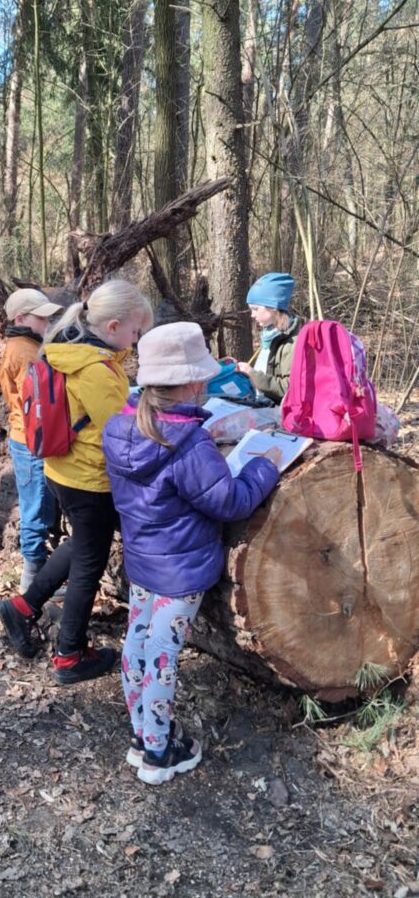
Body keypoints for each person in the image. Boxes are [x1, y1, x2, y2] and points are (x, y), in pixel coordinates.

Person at [102, 322, 280, 785]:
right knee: (163, 655)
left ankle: (141, 734)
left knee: (138, 643)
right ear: (191, 383)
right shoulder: (188, 443)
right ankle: (159, 752)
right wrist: (263, 468)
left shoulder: (120, 425)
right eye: (201, 377)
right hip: (182, 570)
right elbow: (230, 502)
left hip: (144, 559)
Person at [0, 279, 153, 685]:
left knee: (82, 543)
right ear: (113, 327)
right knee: (89, 564)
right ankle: (69, 655)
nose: (136, 341)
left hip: (62, 469)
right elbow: (121, 433)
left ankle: (23, 607)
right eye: (135, 331)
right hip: (89, 479)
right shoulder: (94, 369)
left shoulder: (69, 348)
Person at [0, 288, 64, 590]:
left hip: (28, 438)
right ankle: (32, 582)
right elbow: (37, 403)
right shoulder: (24, 351)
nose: (47, 323)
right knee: (35, 508)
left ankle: (41, 573)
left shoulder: (26, 344)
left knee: (40, 504)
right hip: (30, 441)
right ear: (20, 319)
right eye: (41, 318)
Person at [235, 272, 301, 403]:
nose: (252, 315)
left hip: (279, 410)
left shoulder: (292, 343)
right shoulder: (270, 336)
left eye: (255, 309)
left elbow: (288, 388)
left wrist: (252, 374)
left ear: (273, 307)